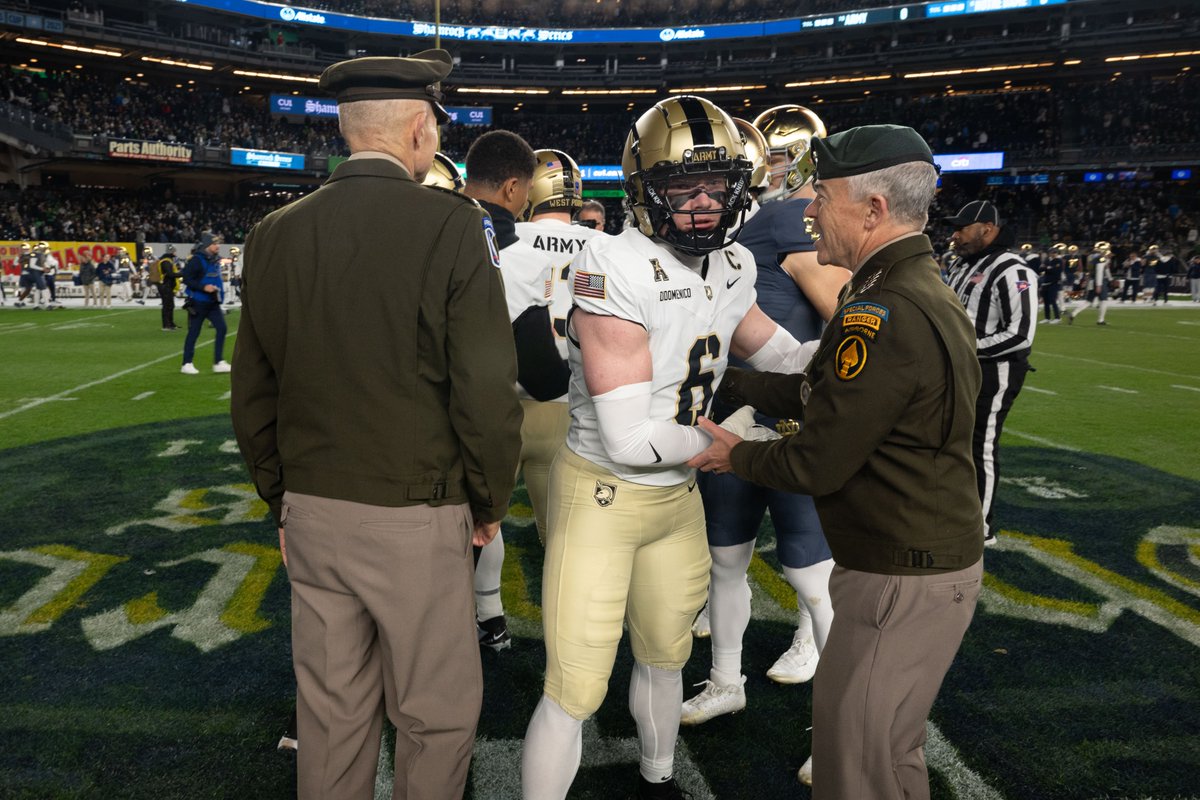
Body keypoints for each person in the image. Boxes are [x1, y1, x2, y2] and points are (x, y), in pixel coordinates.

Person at [230, 50, 523, 800]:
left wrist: (279, 499)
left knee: (330, 714)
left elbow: (252, 391)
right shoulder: (454, 225)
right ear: (421, 132)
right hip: (416, 512)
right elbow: (487, 389)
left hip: (314, 511)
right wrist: (488, 500)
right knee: (434, 714)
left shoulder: (273, 231)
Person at [521, 95, 816, 800]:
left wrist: (859, 356)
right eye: (683, 186)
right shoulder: (611, 262)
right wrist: (732, 442)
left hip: (677, 499)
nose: (704, 204)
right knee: (576, 684)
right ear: (644, 186)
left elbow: (777, 354)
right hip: (604, 494)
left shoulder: (734, 263)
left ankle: (656, 780)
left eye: (718, 186)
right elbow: (628, 437)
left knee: (666, 656)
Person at [689, 124, 984, 799]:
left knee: (861, 765)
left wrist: (738, 455)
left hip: (901, 573)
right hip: (905, 562)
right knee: (873, 752)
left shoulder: (883, 309)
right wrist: (733, 382)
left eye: (822, 196)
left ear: (873, 210)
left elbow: (818, 458)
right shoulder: (901, 287)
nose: (809, 210)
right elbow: (819, 387)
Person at [680, 107, 848, 775]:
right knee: (728, 558)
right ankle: (726, 681)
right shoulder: (751, 224)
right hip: (739, 412)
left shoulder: (786, 219)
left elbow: (843, 308)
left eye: (775, 158)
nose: (763, 171)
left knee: (809, 571)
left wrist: (811, 376)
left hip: (779, 415)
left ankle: (836, 727)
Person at [463, 131, 569, 652]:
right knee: (534, 529)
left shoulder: (432, 236)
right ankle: (562, 635)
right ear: (511, 187)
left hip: (434, 420)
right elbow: (544, 376)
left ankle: (483, 618)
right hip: (510, 415)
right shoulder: (521, 253)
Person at [515, 147, 607, 545]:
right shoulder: (606, 246)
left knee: (478, 528)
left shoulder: (504, 236)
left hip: (507, 402)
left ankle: (487, 607)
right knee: (563, 540)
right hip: (576, 409)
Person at [944, 199, 1037, 545]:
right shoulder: (961, 265)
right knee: (952, 441)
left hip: (992, 371)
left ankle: (980, 527)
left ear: (987, 229)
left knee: (980, 444)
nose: (955, 235)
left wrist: (965, 349)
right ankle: (955, 512)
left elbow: (1020, 333)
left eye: (962, 228)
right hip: (959, 368)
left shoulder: (1012, 268)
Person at [179, 231, 230, 374]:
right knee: (194, 332)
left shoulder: (214, 259)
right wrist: (203, 287)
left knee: (222, 328)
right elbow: (186, 278)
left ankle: (218, 361)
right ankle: (186, 363)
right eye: (215, 243)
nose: (217, 246)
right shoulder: (197, 260)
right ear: (208, 245)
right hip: (198, 302)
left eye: (218, 243)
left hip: (212, 302)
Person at [1066, 240, 1114, 325]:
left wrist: (1110, 279)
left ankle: (1073, 314)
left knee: (1089, 301)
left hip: (1092, 281)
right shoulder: (1101, 258)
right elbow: (1100, 271)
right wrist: (1099, 285)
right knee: (1104, 301)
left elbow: (1104, 269)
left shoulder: (1095, 258)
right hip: (1098, 281)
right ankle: (1100, 320)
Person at [156, 244, 181, 330]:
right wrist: (182, 274)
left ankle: (170, 323)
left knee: (170, 305)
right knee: (167, 305)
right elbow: (170, 274)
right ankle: (166, 325)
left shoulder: (167, 260)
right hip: (166, 286)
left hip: (167, 286)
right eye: (174, 251)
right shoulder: (166, 261)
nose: (175, 253)